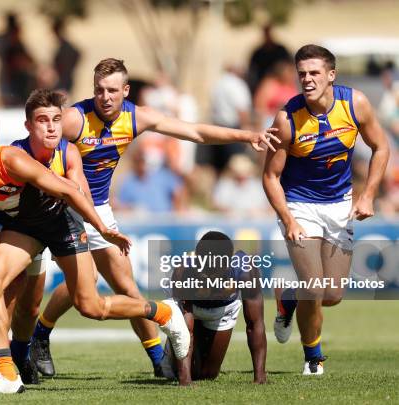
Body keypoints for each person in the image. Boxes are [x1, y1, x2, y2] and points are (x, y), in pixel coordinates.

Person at [30, 58, 279, 378]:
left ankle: (158, 360)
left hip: (99, 208)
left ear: (126, 91)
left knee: (129, 291)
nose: (104, 97)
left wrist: (247, 137)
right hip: (61, 206)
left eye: (111, 91)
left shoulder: (138, 117)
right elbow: (32, 148)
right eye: (98, 90)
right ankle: (36, 338)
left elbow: (195, 133)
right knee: (84, 283)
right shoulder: (75, 119)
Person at [0, 93, 190, 395]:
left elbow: (70, 193)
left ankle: (164, 312)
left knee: (91, 306)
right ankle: (5, 374)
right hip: (24, 226)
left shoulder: (9, 159)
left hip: (60, 220)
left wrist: (102, 228)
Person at [262, 44, 389, 375]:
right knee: (314, 288)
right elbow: (271, 176)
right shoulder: (286, 118)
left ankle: (287, 297)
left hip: (339, 205)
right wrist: (288, 218)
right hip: (299, 205)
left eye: (314, 72)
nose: (307, 79)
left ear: (331, 75)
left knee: (331, 295)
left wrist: (368, 194)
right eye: (302, 73)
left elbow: (381, 146)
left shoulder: (354, 103)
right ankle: (313, 358)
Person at [162, 231, 267, 385]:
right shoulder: (184, 271)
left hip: (223, 309)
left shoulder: (245, 271)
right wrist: (185, 380)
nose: (210, 276)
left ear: (228, 262)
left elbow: (254, 323)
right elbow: (185, 327)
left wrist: (259, 376)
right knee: (187, 372)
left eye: (215, 270)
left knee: (207, 374)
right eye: (206, 269)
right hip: (193, 309)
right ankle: (168, 353)